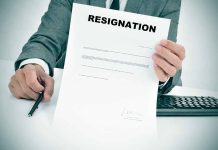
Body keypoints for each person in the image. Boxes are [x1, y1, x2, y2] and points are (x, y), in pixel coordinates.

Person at [8, 0, 185, 101]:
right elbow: (47, 37)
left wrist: (165, 72)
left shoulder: (166, 1)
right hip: (68, 97)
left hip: (127, 100)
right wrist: (34, 65)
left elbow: (168, 57)